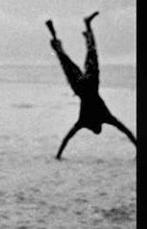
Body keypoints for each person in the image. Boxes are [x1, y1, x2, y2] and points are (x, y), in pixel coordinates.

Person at [47, 12, 137, 159]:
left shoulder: (98, 118)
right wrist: (58, 155)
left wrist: (58, 155)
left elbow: (126, 131)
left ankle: (85, 26)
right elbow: (67, 138)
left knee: (90, 54)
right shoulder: (90, 120)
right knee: (66, 61)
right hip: (81, 87)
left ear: (97, 126)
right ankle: (58, 33)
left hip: (88, 84)